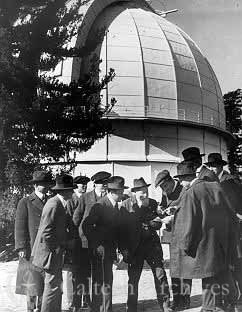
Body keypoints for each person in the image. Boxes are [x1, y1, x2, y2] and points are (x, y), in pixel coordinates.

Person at [170, 161, 237, 312]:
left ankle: (208, 308)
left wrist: (184, 245)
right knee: (218, 273)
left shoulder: (191, 193)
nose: (181, 184)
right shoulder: (215, 186)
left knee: (208, 275)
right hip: (220, 241)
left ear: (184, 178)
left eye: (180, 180)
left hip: (204, 243)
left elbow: (187, 221)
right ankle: (224, 303)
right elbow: (230, 213)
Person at [118, 177, 171, 312]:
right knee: (133, 278)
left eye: (146, 191)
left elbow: (159, 223)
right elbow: (121, 231)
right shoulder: (125, 205)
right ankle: (131, 307)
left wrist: (156, 222)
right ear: (134, 192)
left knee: (160, 275)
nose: (145, 194)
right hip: (135, 248)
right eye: (142, 192)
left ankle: (165, 305)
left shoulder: (152, 204)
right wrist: (123, 250)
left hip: (152, 247)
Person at [82, 176, 128, 312]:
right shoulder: (100, 205)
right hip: (100, 251)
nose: (122, 195)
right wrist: (97, 245)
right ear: (112, 192)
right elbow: (86, 226)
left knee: (107, 281)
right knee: (99, 282)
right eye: (120, 192)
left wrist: (121, 249)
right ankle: (97, 309)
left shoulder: (115, 207)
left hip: (109, 251)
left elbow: (118, 231)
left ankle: (106, 309)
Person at [31, 174, 76, 312]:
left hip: (52, 253)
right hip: (49, 255)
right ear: (64, 191)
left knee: (56, 288)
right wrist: (58, 248)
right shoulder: (54, 204)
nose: (73, 192)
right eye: (70, 189)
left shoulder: (60, 203)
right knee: (52, 289)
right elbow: (46, 233)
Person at [15, 170, 53, 312]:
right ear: (36, 185)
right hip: (31, 249)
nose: (47, 186)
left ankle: (42, 308)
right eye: (44, 184)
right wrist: (21, 247)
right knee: (31, 282)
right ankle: (31, 309)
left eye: (48, 183)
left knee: (45, 282)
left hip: (47, 248)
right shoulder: (25, 202)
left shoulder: (51, 200)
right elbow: (19, 227)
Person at [72, 171, 111, 310]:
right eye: (102, 183)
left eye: (106, 183)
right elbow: (76, 219)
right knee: (83, 275)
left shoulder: (108, 198)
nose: (104, 186)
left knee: (101, 276)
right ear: (95, 184)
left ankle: (99, 306)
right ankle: (80, 305)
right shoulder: (85, 198)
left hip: (102, 245)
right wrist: (75, 240)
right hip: (85, 244)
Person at [155, 170, 191, 310]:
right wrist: (162, 210)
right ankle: (177, 300)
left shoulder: (184, 189)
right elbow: (164, 204)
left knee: (186, 268)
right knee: (175, 269)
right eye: (162, 188)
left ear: (171, 181)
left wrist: (174, 215)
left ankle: (185, 299)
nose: (165, 190)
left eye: (165, 187)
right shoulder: (165, 191)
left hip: (184, 233)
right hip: (171, 234)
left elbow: (188, 211)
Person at [65, 175, 90, 311]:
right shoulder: (71, 200)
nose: (84, 186)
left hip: (85, 243)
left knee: (85, 272)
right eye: (81, 184)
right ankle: (72, 302)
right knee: (72, 273)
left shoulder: (87, 198)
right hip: (74, 242)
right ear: (76, 186)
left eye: (86, 184)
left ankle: (86, 300)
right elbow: (69, 222)